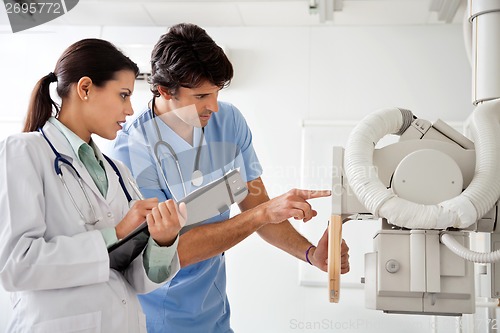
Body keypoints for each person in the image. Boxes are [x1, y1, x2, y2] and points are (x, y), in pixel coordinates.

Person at [109, 23, 350, 333]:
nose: (214, 105)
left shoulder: (228, 122)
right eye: (201, 96)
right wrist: (262, 214)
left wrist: (311, 254)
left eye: (217, 92)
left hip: (214, 313)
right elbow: (173, 250)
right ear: (164, 90)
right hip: (159, 319)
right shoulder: (132, 151)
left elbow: (257, 204)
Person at [0, 38, 186, 333]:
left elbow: (134, 279)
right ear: (85, 88)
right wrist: (118, 232)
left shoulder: (118, 172)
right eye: (123, 95)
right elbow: (16, 266)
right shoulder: (24, 151)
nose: (129, 110)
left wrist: (162, 241)